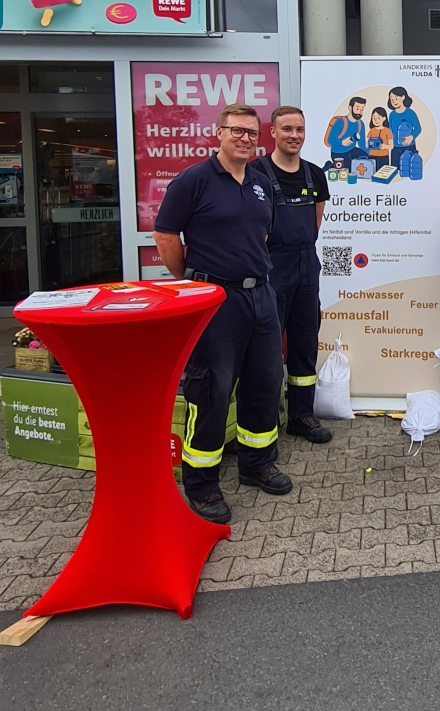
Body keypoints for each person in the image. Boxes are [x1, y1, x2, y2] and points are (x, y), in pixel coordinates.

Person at [153, 103, 291, 524]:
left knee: (265, 382)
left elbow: (263, 235)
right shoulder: (194, 180)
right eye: (237, 131)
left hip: (260, 297)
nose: (246, 139)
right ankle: (201, 484)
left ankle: (256, 464)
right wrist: (196, 281)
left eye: (252, 133)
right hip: (215, 301)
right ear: (219, 133)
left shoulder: (261, 182)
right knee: (210, 393)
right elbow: (164, 235)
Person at [249, 105, 332, 446]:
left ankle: (301, 415)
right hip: (269, 269)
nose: (294, 135)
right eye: (287, 129)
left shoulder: (315, 175)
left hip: (306, 268)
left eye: (299, 129)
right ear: (273, 132)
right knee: (266, 350)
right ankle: (264, 421)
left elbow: (316, 222)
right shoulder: (254, 174)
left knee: (304, 343)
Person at [324, 96, 368, 171]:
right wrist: (342, 142)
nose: (359, 112)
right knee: (349, 170)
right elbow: (330, 140)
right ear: (350, 108)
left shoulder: (360, 124)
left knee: (367, 160)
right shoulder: (341, 122)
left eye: (362, 109)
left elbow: (362, 143)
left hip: (352, 150)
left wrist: (370, 154)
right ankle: (330, 165)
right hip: (338, 152)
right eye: (357, 108)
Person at [386, 86, 422, 170]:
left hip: (409, 147)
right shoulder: (392, 114)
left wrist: (411, 137)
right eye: (391, 99)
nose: (394, 101)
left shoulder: (410, 113)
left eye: (396, 98)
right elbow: (390, 129)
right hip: (395, 148)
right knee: (395, 171)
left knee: (409, 170)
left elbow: (418, 128)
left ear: (403, 97)